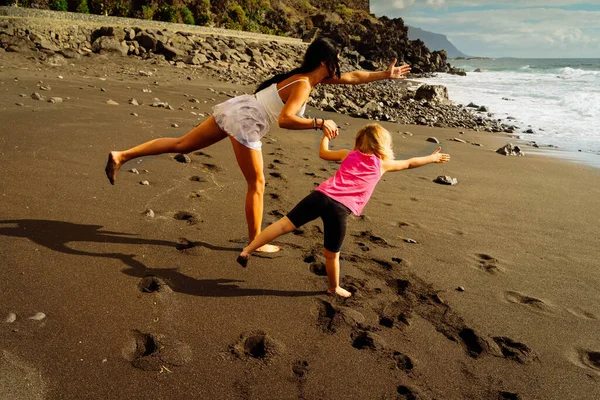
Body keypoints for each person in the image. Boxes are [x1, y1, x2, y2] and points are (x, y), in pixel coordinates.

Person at [105, 37, 411, 252]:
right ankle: (255, 242)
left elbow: (354, 77)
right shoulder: (304, 84)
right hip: (246, 121)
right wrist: (320, 122)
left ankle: (122, 155)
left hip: (239, 107)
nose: (340, 66)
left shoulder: (307, 78)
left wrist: (385, 74)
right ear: (325, 62)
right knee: (258, 183)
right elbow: (286, 120)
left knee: (182, 144)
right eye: (337, 61)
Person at [236, 123, 450, 297]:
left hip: (319, 196)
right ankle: (333, 287)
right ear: (384, 145)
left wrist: (326, 136)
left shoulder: (348, 155)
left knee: (283, 224)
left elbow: (323, 153)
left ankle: (247, 250)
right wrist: (432, 158)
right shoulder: (383, 164)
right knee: (331, 254)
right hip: (339, 208)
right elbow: (410, 163)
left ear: (359, 142)